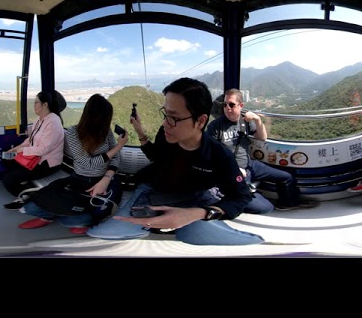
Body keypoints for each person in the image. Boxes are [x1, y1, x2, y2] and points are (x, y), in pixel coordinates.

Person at [86, 77, 265, 246]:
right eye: (165, 114)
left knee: (229, 238)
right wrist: (139, 131)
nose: (165, 123)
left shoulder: (219, 155)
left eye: (174, 117)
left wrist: (200, 213)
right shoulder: (166, 135)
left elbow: (241, 196)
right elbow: (156, 156)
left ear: (201, 121)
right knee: (102, 234)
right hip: (155, 189)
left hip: (195, 195)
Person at [18, 93, 127, 230]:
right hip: (79, 179)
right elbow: (88, 163)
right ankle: (51, 216)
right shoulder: (73, 133)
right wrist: (119, 146)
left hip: (104, 179)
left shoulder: (106, 131)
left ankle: (58, 215)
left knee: (68, 221)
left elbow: (116, 157)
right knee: (30, 207)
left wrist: (106, 178)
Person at [206, 89, 318, 212]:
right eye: (225, 104)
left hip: (250, 165)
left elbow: (262, 137)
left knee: (287, 177)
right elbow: (211, 156)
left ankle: (288, 203)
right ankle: (232, 196)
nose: (227, 108)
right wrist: (234, 169)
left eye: (231, 104)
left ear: (241, 105)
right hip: (233, 173)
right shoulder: (215, 127)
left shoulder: (245, 122)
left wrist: (258, 120)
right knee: (266, 208)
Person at [1, 90, 66, 209]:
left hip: (46, 163)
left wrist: (20, 151)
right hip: (34, 158)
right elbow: (30, 140)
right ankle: (22, 178)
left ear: (45, 105)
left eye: (36, 102)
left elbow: (42, 150)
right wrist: (16, 149)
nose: (34, 105)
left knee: (7, 180)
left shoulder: (53, 123)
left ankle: (28, 197)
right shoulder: (39, 119)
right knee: (5, 156)